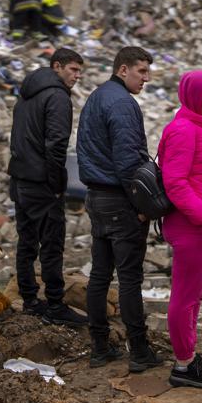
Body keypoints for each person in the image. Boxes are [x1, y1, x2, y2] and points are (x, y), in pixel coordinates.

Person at [76, 45, 161, 372]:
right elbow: (129, 163)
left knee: (100, 274)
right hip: (119, 198)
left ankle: (99, 347)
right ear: (122, 69)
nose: (147, 78)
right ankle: (139, 351)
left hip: (96, 197)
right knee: (129, 278)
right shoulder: (123, 104)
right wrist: (143, 207)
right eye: (141, 71)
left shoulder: (97, 97)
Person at [158, 71, 202, 389]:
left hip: (199, 225)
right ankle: (183, 365)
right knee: (185, 297)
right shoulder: (184, 130)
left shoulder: (200, 126)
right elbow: (174, 181)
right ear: (193, 96)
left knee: (195, 295)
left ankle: (187, 354)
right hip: (190, 225)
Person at [8, 48, 87, 326]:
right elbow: (56, 145)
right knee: (51, 245)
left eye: (80, 71)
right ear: (57, 66)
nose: (77, 76)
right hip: (42, 182)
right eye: (73, 70)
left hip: (20, 179)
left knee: (27, 242)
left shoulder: (26, 94)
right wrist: (57, 184)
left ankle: (29, 300)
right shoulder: (57, 97)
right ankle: (55, 305)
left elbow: (16, 137)